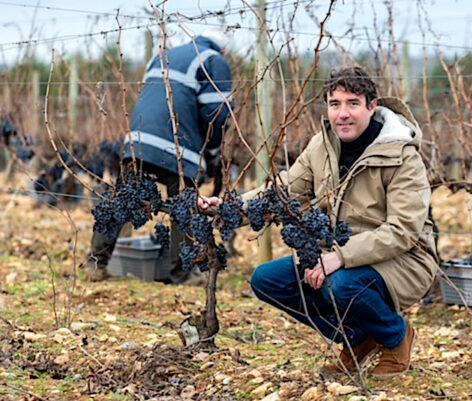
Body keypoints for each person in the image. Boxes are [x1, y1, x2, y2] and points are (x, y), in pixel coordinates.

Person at [198, 66, 438, 377]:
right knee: (267, 281)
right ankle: (358, 338)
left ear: (372, 106)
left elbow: (403, 231)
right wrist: (227, 208)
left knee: (341, 285)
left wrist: (340, 257)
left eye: (353, 103)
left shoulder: (403, 156)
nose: (343, 114)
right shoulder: (322, 146)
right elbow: (284, 192)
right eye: (334, 104)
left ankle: (396, 336)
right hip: (340, 255)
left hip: (403, 260)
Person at [85, 28, 233, 283]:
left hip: (138, 141)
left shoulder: (163, 55)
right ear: (224, 49)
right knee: (184, 207)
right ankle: (182, 274)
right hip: (178, 146)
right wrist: (212, 153)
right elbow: (216, 115)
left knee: (124, 200)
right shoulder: (213, 60)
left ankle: (96, 265)